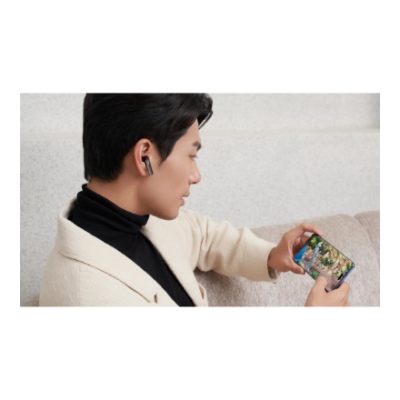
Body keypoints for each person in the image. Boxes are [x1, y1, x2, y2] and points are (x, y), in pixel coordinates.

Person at [39, 94, 350, 307]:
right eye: (191, 155)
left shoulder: (139, 219)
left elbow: (204, 236)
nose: (196, 175)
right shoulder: (87, 296)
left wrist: (271, 254)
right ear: (145, 156)